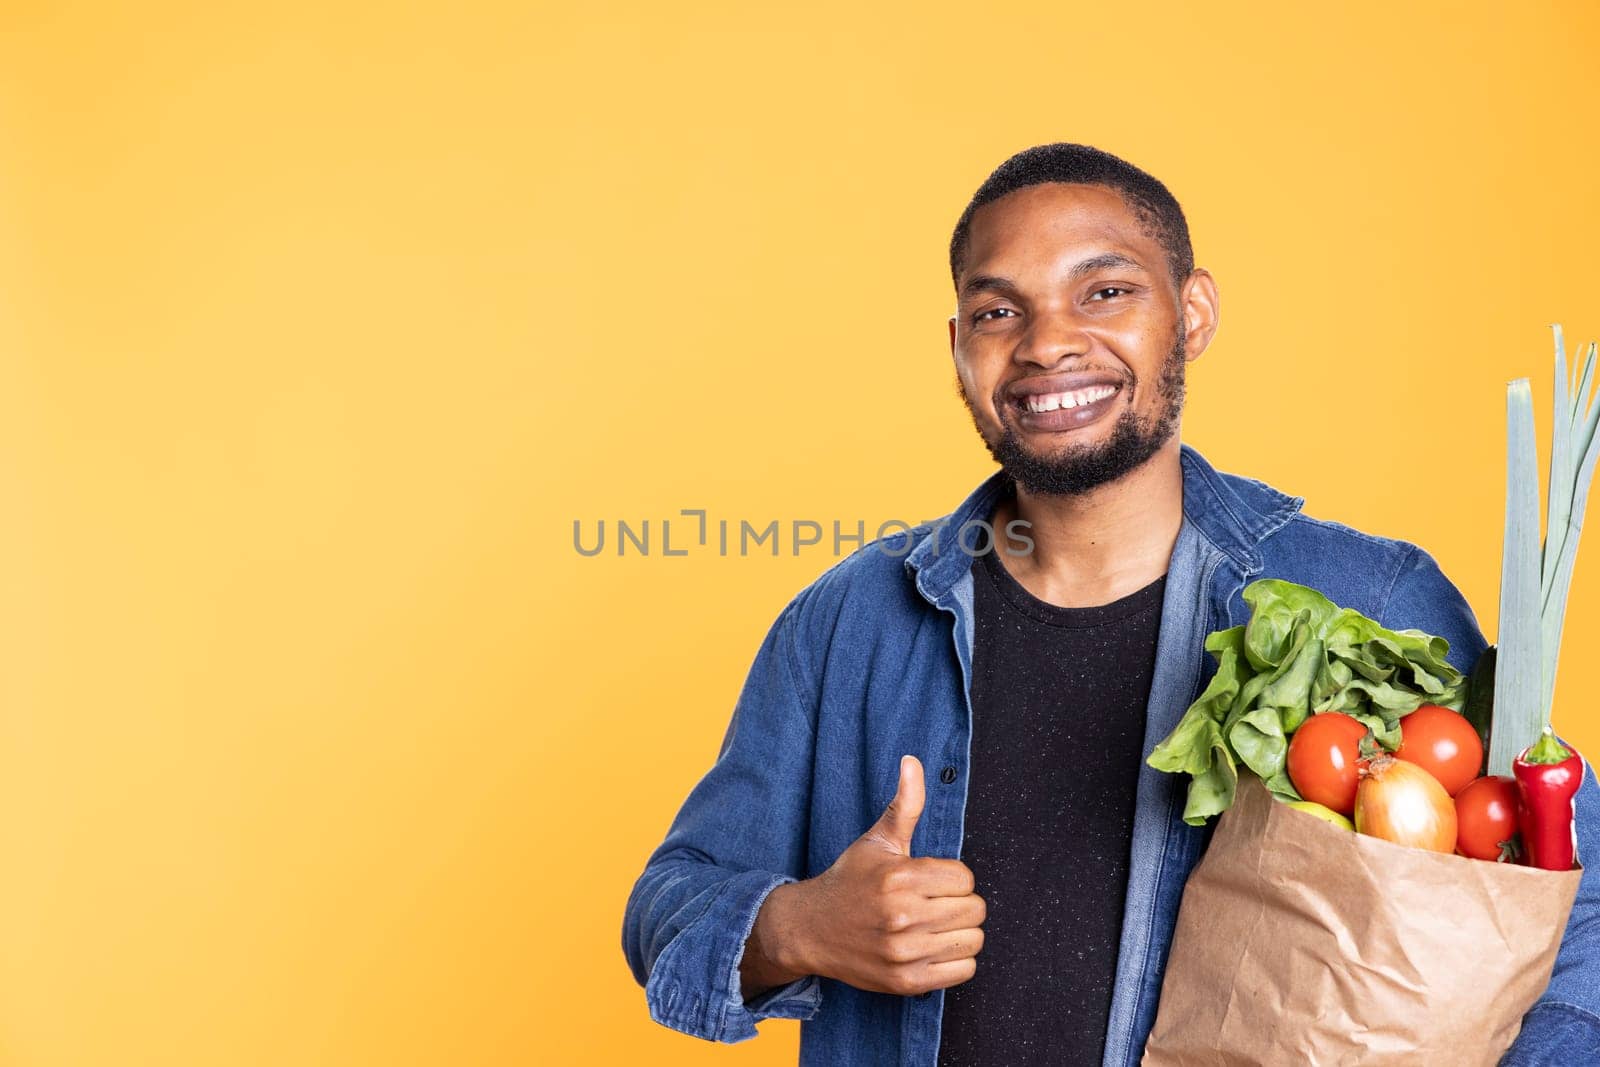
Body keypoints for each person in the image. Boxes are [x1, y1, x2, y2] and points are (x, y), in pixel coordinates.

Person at [620, 143, 1600, 1066]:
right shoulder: (845, 623)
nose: (1049, 343)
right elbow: (668, 901)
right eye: (1000, 312)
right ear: (959, 347)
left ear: (1193, 313)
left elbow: (1578, 905)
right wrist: (799, 927)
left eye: (1105, 290)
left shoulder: (1367, 599)